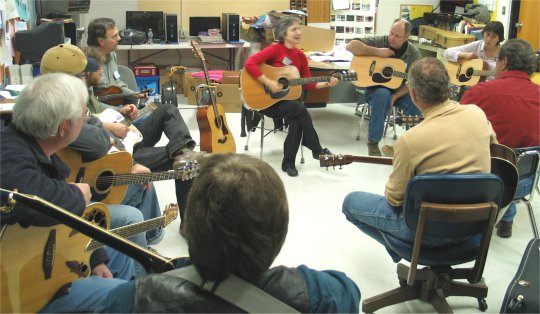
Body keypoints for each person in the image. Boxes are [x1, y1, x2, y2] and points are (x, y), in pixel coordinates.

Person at [96, 153, 361, 312]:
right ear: (279, 231)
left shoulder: (129, 298)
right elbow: (350, 292)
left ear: (192, 226)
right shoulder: (324, 292)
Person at [342, 57, 497, 258]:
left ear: (413, 94)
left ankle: (401, 249)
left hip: (427, 232)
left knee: (350, 203)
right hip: (474, 228)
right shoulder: (476, 113)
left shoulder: (409, 140)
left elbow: (394, 199)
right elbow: (495, 147)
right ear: (448, 85)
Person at [0, 73, 129, 312]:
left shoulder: (33, 146)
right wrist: (78, 196)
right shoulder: (8, 153)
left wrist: (95, 258)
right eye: (83, 115)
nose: (85, 120)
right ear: (64, 127)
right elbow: (29, 198)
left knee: (115, 248)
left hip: (51, 256)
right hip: (19, 289)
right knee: (123, 295)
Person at [40, 44, 159, 258]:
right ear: (76, 81)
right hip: (70, 199)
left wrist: (128, 161)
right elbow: (98, 141)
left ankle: (148, 242)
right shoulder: (62, 111)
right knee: (132, 210)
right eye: (85, 76)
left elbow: (98, 129)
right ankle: (142, 263)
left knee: (141, 179)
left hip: (75, 184)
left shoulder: (52, 101)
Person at [85, 19, 204, 220]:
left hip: (128, 132)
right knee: (188, 165)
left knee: (168, 112)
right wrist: (116, 115)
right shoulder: (83, 79)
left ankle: (183, 151)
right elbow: (97, 108)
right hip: (120, 150)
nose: (119, 38)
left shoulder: (110, 57)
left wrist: (129, 102)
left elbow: (116, 86)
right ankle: (184, 155)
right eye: (114, 36)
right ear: (100, 41)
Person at [460, 39, 540, 238]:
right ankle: (507, 214)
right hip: (526, 181)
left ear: (503, 62)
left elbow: (455, 131)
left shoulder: (479, 93)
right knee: (511, 161)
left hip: (484, 180)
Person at [243, 16, 336, 177]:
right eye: (294, 29)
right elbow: (249, 64)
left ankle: (288, 163)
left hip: (289, 103)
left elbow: (307, 83)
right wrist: (269, 82)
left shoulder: (300, 56)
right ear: (283, 33)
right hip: (269, 102)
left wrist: (326, 83)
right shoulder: (275, 49)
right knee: (299, 108)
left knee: (297, 118)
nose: (298, 32)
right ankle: (317, 149)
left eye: (299, 28)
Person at [346, 19, 422, 157]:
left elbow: (412, 82)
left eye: (397, 36)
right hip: (375, 89)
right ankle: (373, 142)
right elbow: (351, 46)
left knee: (416, 98)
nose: (392, 38)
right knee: (382, 95)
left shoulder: (413, 53)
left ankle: (414, 143)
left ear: (407, 37)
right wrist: (377, 52)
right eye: (391, 33)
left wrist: (395, 96)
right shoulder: (380, 41)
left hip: (399, 91)